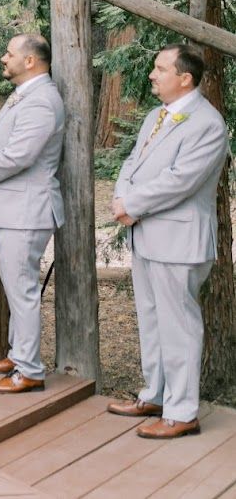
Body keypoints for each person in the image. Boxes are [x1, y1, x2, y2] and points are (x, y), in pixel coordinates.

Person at [107, 44, 228, 440]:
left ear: (185, 78)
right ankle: (155, 394)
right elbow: (132, 162)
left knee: (179, 326)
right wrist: (121, 198)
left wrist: (133, 205)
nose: (152, 75)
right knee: (152, 321)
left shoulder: (207, 124)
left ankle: (182, 412)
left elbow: (181, 181)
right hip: (148, 236)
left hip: (179, 240)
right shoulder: (156, 116)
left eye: (160, 69)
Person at [0, 34, 65, 394]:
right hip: (14, 207)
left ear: (30, 61)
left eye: (10, 53)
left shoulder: (41, 101)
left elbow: (18, 155)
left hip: (27, 209)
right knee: (15, 286)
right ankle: (17, 354)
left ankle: (29, 370)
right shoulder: (27, 93)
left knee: (22, 290)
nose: (3, 57)